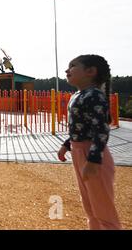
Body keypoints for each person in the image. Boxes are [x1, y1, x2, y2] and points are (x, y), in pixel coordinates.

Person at [57, 55, 122, 230]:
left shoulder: (94, 95)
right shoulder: (78, 95)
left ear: (90, 71)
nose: (67, 70)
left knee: (103, 210)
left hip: (93, 155)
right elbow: (80, 127)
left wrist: (93, 160)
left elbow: (100, 129)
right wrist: (67, 145)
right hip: (80, 153)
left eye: (72, 66)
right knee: (90, 207)